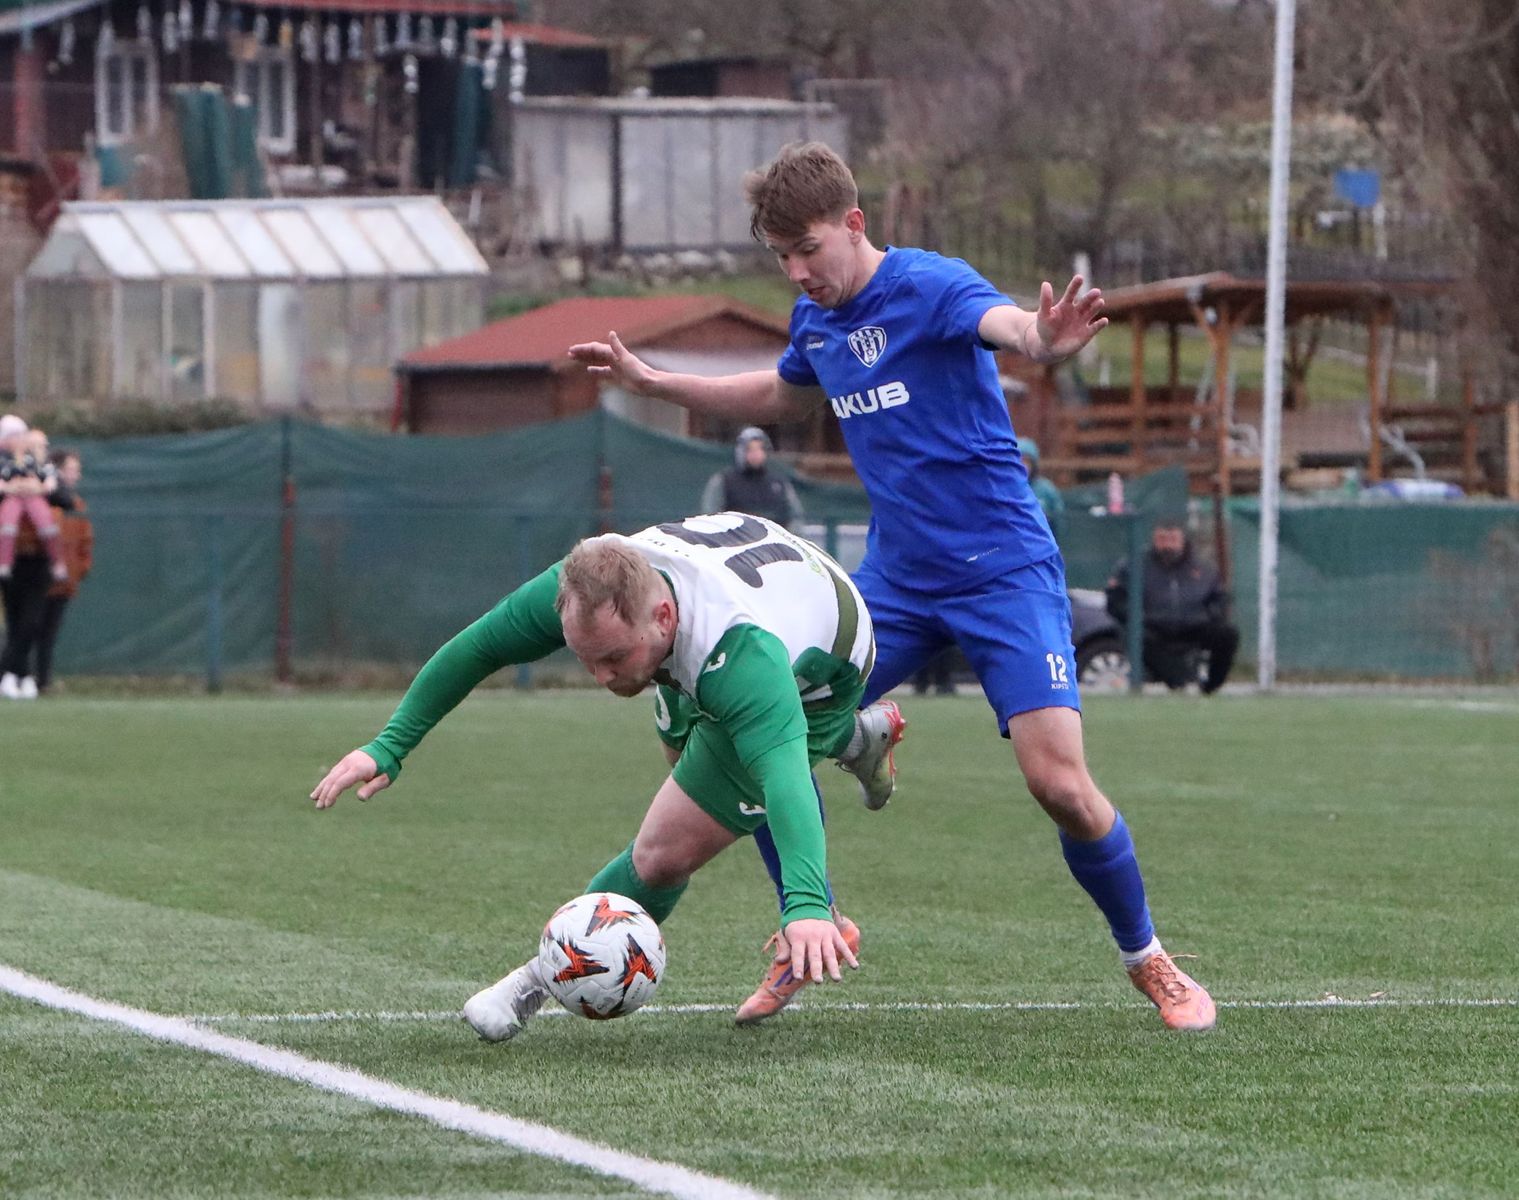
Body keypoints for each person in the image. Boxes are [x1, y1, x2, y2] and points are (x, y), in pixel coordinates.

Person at [568, 141, 1215, 1030]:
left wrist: (1044, 342)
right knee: (761, 730)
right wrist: (654, 380)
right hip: (895, 585)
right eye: (782, 257)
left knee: (1059, 785)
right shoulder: (815, 321)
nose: (798, 273)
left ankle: (1148, 958)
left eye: (808, 250)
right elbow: (781, 398)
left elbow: (1009, 327)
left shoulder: (929, 285)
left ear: (853, 224)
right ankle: (811, 920)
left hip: (1004, 572)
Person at [310, 513, 905, 1043]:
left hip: (826, 666)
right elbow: (480, 646)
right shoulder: (588, 584)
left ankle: (532, 982)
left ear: (663, 618)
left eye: (613, 658)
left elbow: (783, 776)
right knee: (683, 756)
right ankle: (859, 740)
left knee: (664, 854)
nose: (600, 678)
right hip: (760, 588)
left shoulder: (741, 658)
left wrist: (806, 905)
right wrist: (389, 746)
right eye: (584, 658)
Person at [1106, 520, 1238, 695]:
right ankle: (1182, 681)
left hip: (1195, 626)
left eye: (1173, 539)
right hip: (1152, 627)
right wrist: (1137, 617)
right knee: (1135, 635)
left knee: (1227, 634)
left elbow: (1220, 598)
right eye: (1162, 539)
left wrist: (1209, 615)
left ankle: (1211, 687)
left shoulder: (1204, 568)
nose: (1167, 545)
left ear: (1183, 540)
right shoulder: (1133, 567)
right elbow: (1115, 600)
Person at [32, 448, 93, 694]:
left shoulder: (76, 504)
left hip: (65, 582)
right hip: (39, 578)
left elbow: (85, 542)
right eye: (70, 470)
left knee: (48, 633)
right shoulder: (42, 503)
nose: (75, 475)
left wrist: (80, 568)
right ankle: (16, 676)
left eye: (77, 470)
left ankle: (42, 682)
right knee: (26, 629)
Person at [0, 423, 68, 582]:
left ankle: (57, 563)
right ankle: (4, 562)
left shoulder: (42, 464)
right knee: (7, 526)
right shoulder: (6, 461)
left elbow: (54, 485)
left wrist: (41, 487)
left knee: (48, 526)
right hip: (13, 499)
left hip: (34, 500)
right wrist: (10, 487)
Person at [701, 426, 804, 530]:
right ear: (741, 452)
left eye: (760, 449)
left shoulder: (778, 483)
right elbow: (711, 516)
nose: (756, 454)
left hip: (773, 537)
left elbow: (795, 516)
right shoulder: (724, 481)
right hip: (737, 536)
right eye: (750, 449)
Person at [1021, 438, 1066, 544]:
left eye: (1027, 461)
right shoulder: (1007, 489)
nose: (1024, 465)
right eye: (1020, 460)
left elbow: (1059, 517)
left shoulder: (1046, 489)